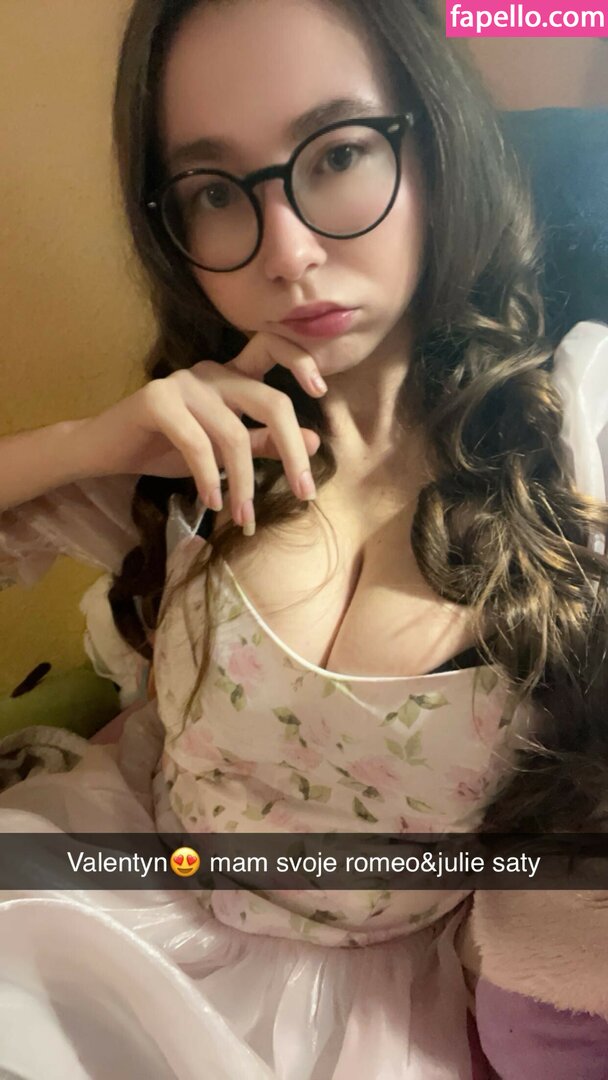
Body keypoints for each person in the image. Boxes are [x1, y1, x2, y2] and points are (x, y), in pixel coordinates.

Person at [0, 1, 607, 1077]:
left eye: (336, 155)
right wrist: (83, 444)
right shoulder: (185, 451)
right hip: (112, 920)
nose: (287, 254)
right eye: (213, 191)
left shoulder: (576, 436)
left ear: (435, 145)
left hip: (387, 1023)